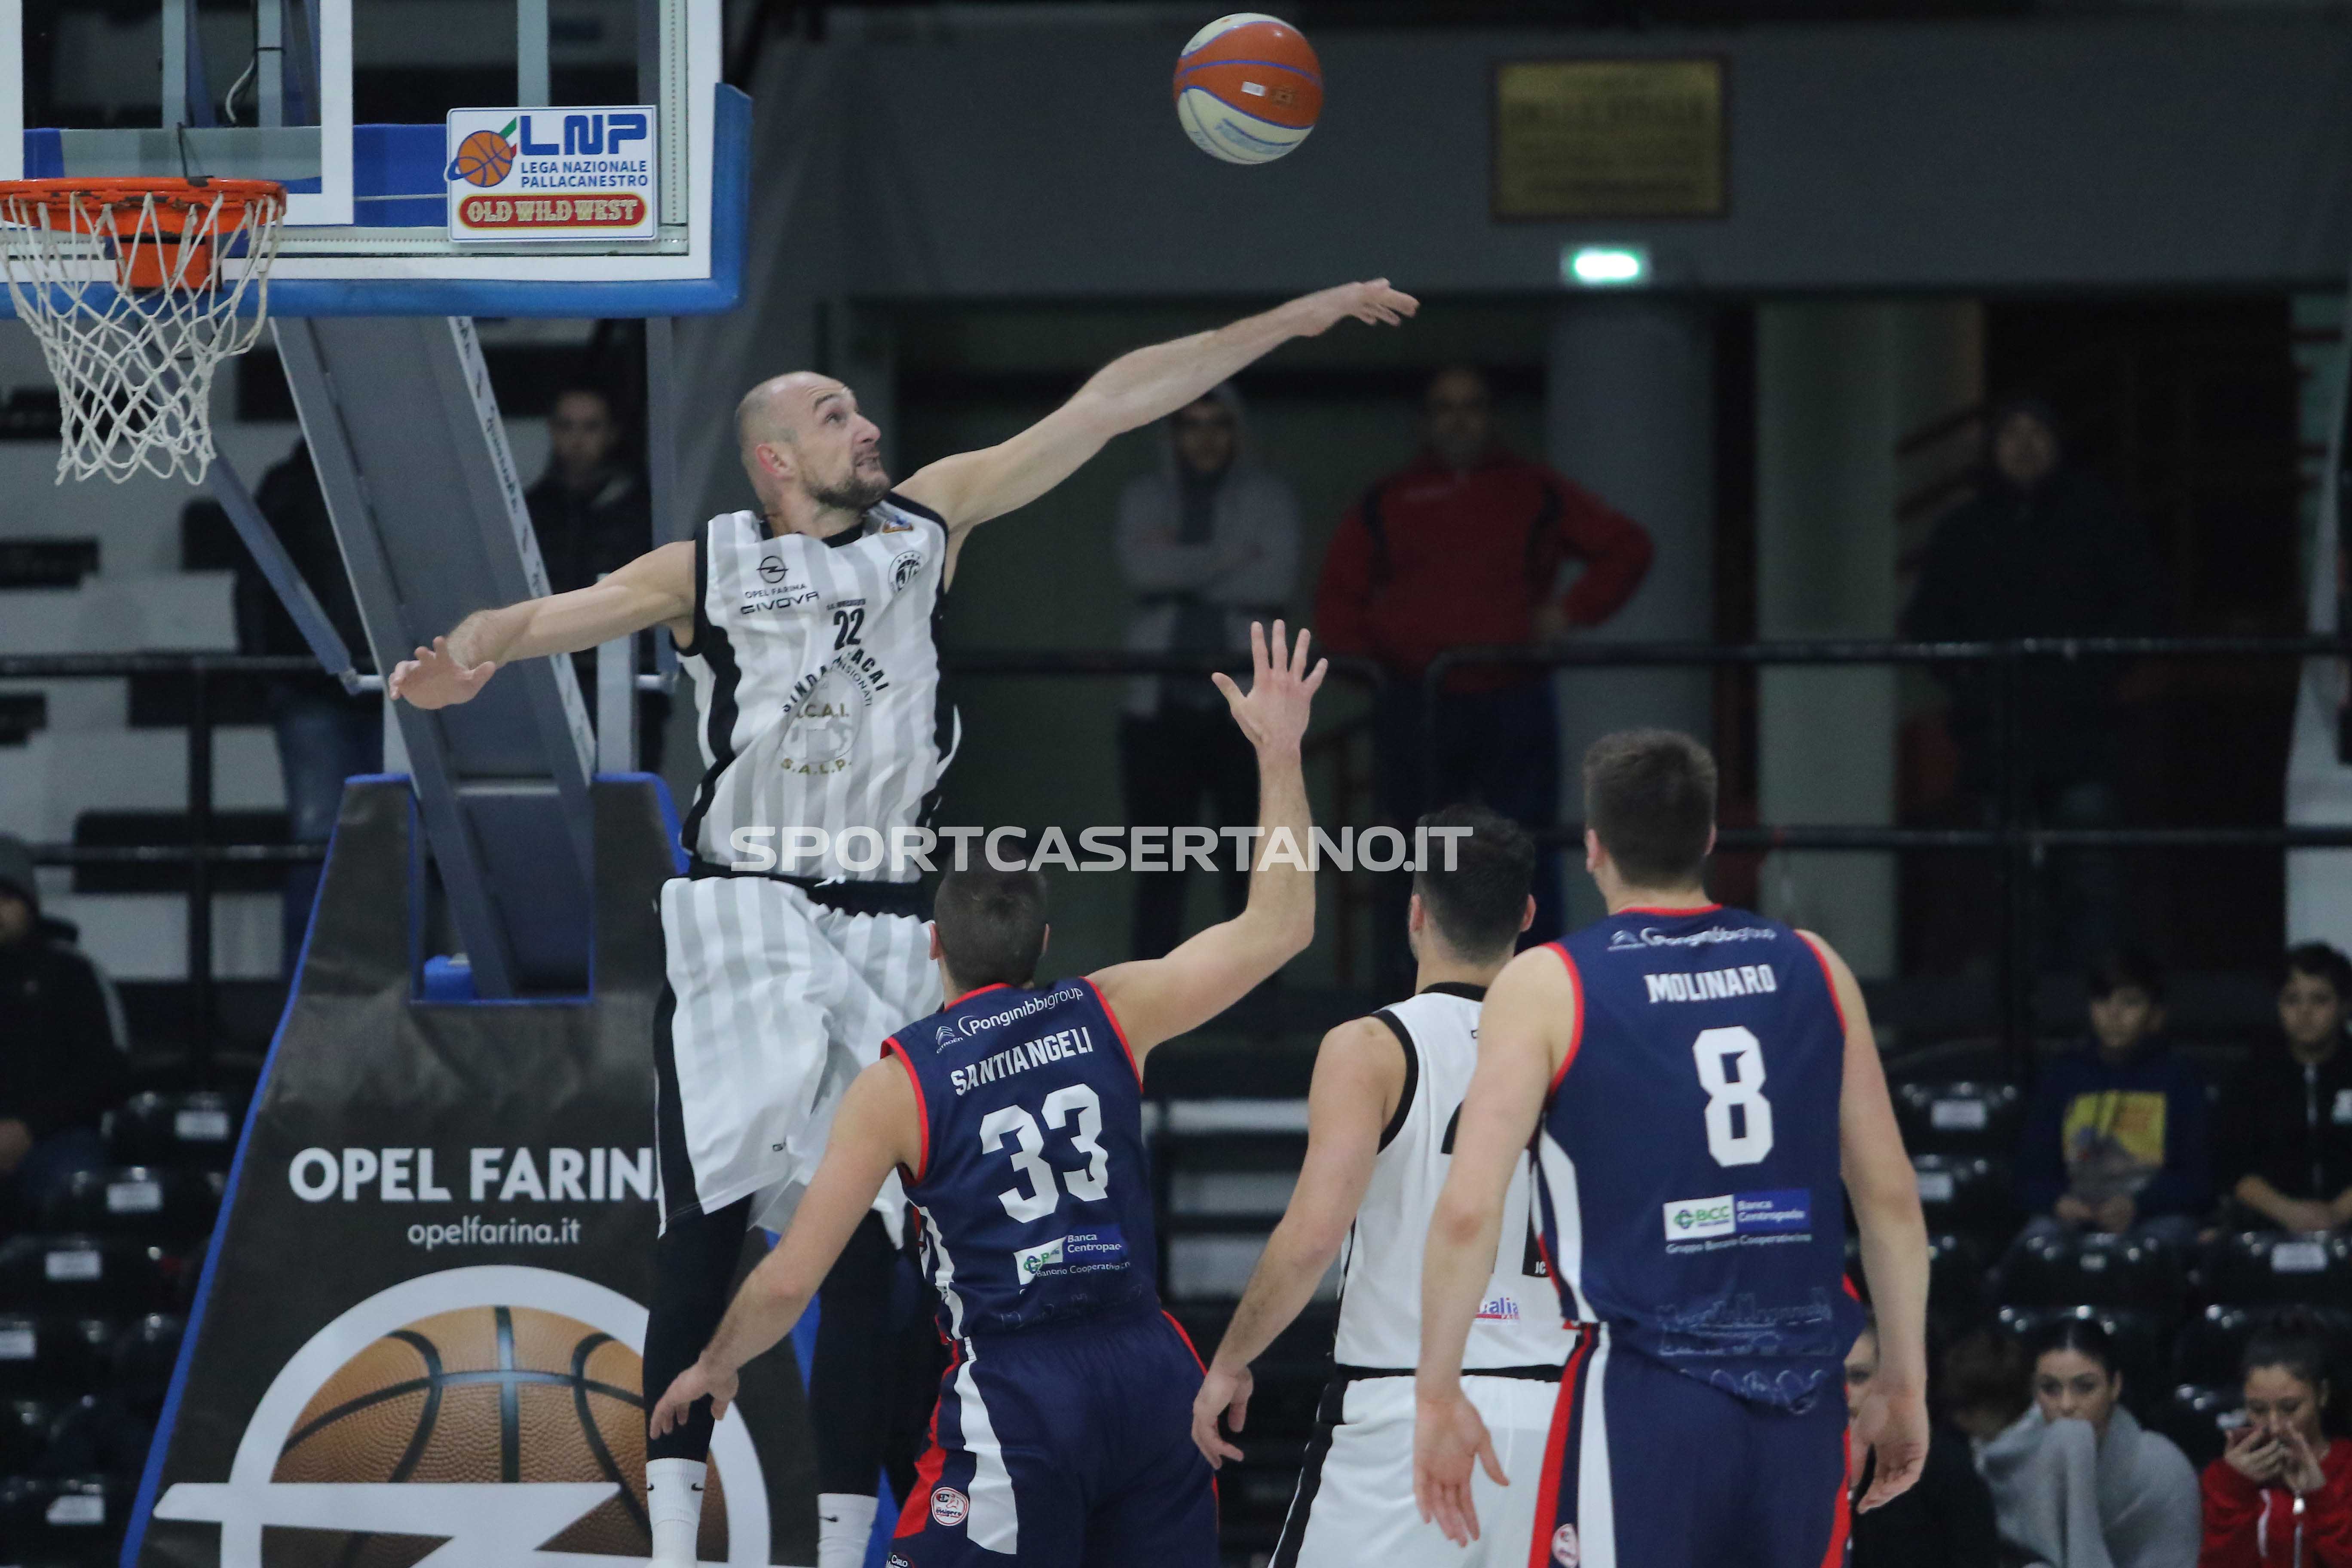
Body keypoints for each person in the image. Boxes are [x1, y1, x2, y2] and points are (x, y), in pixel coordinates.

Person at [386, 279, 1418, 1568]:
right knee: (708, 1217)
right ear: (776, 457)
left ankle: (841, 1535)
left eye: (862, 407)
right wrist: (465, 655)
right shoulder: (710, 566)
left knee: (886, 1238)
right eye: (834, 413)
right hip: (748, 907)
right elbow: (541, 615)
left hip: (888, 914)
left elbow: (1105, 405)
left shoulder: (927, 526)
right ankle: (666, 1532)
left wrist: (1287, 323)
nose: (863, 423)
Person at [648, 623, 1325, 1568]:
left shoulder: (901, 1082)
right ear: (1044, 948)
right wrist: (1281, 753)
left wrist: (718, 1364)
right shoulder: (1114, 1011)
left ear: (934, 948)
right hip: (1148, 1370)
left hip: (1020, 1387)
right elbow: (1283, 923)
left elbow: (793, 1275)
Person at [1413, 729, 1933, 1566]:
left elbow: (1471, 1210)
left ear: (1593, 849)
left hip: (1648, 1397)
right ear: (1711, 839)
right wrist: (1904, 1381)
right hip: (1802, 1400)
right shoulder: (1814, 965)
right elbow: (1891, 1200)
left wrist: (1436, 1393)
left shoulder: (1549, 983)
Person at [1190, 802, 1568, 1565]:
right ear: (1526, 912)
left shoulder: (1371, 1046)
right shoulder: (1580, 1047)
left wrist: (1229, 1360)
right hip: (1559, 1417)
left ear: (1416, 912)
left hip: (1405, 1407)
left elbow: (1313, 1234)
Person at [1314, 365, 1654, 994]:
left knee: (1526, 850)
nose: (1459, 419)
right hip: (1420, 706)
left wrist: (1570, 612)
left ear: (1491, 415)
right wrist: (1385, 677)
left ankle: (1541, 994)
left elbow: (1628, 547)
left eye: (1471, 406)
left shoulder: (1533, 489)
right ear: (1426, 421)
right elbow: (1338, 602)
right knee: (1411, 855)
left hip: (1512, 696)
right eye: (1444, 407)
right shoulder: (1387, 500)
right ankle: (1408, 994)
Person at [1900, 397, 2162, 971]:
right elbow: (1926, 623)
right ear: (1992, 448)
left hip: (2083, 731)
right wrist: (1970, 683)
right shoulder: (1963, 530)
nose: (2024, 445)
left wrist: (2095, 675)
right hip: (1997, 734)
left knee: (2093, 873)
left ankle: (2101, 1003)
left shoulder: (2100, 517)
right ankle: (2023, 1010)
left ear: (2059, 442)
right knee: (2009, 882)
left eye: (2037, 432)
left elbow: (2141, 606)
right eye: (2011, 433)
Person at [1116, 384, 1298, 959]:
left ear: (1237, 430)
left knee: (1252, 867)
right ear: (1172, 435)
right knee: (1160, 864)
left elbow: (1275, 581)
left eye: (1218, 423)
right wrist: (1233, 555)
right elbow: (1142, 572)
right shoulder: (1145, 496)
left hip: (1245, 709)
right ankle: (1145, 1007)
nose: (1206, 437)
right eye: (1191, 424)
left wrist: (1183, 567)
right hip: (1157, 707)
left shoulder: (1270, 497)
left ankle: (1262, 1021)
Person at [237, 441, 381, 971]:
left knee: (395, 837)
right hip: (312, 689)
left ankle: (391, 980)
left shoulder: (392, 476)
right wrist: (272, 682)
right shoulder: (288, 485)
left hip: (392, 686)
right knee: (319, 839)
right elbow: (254, 582)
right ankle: (306, 984)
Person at [2013, 952, 2210, 1248]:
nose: (2113, 1014)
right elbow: (2029, 1173)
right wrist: (2058, 1202)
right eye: (2103, 1001)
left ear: (2156, 1015)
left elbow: (2199, 1178)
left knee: (2156, 1249)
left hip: (2153, 1217)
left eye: (2130, 1002)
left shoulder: (2179, 1077)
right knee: (2034, 1248)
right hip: (2070, 1219)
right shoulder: (2063, 1075)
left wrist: (2140, 1205)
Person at [525, 384, 670, 772]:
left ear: (611, 434)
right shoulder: (527, 514)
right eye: (567, 426)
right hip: (549, 680)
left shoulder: (647, 513)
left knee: (624, 809)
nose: (577, 440)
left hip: (627, 682)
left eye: (590, 427)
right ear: (553, 431)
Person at [1978, 1318, 2201, 1568]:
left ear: (2115, 1386)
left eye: (2085, 1387)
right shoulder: (2008, 1462)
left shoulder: (2163, 1469)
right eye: (2050, 1389)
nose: (2066, 1405)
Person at [0, 834, 129, 1232]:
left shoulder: (73, 972)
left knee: (74, 1181)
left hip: (53, 1139)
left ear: (31, 904)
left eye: (6, 896)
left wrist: (27, 1129)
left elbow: (109, 1071)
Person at [2213, 944, 2352, 1233]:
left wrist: (2338, 1213)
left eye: (2320, 1000)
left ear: (2344, 1007)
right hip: (2271, 1223)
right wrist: (2289, 1213)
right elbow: (2231, 1164)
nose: (2305, 1012)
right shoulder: (2250, 1077)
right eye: (2292, 1000)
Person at [1846, 1311, 2002, 1568]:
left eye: (1859, 1376)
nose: (1845, 1392)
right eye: (1831, 1379)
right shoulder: (1802, 1468)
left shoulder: (1944, 1468)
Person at [2198, 1314, 2352, 1567]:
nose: (2274, 1425)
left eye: (2290, 1408)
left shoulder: (2346, 1469)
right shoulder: (2223, 1479)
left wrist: (2319, 1498)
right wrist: (2234, 1491)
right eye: (2258, 1409)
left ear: (2322, 1395)